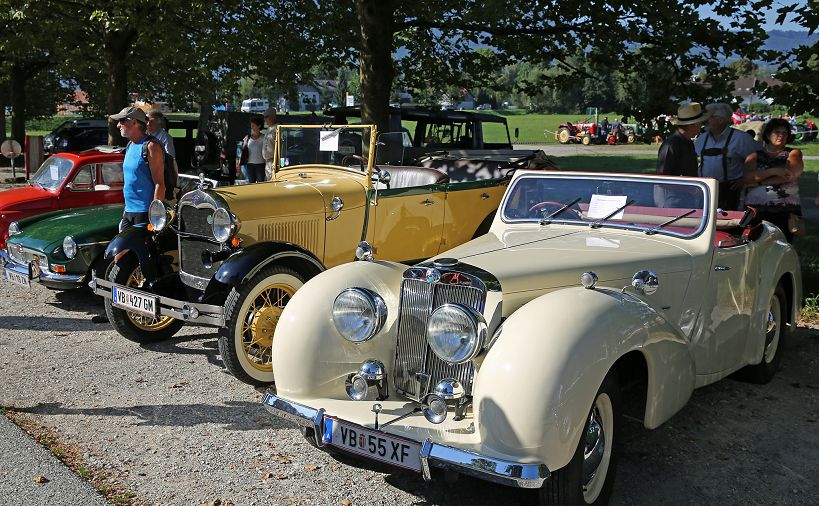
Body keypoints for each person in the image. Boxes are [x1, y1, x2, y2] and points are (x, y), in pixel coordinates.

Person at [93, 106, 166, 324]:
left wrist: (155, 216)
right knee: (119, 258)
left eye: (122, 122)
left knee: (146, 263)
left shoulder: (151, 146)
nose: (118, 125)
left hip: (145, 214)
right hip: (130, 212)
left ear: (135, 122)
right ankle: (117, 310)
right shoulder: (130, 145)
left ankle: (152, 310)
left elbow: (159, 184)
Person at [744, 118, 804, 242]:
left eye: (784, 133)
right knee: (755, 246)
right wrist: (774, 171)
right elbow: (747, 178)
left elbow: (790, 175)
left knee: (781, 246)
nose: (781, 135)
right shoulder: (754, 155)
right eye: (777, 132)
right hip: (756, 211)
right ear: (768, 134)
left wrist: (759, 181)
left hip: (783, 211)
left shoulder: (793, 153)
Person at [694, 103, 759, 210]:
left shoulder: (741, 138)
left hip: (730, 191)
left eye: (710, 117)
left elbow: (760, 158)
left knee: (729, 222)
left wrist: (744, 179)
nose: (705, 120)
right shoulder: (702, 138)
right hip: (705, 189)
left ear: (721, 120)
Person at [655, 102, 708, 207]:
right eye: (700, 123)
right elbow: (661, 180)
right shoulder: (671, 145)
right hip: (671, 204)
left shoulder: (688, 142)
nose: (701, 126)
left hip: (685, 201)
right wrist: (691, 188)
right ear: (693, 124)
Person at [242, 115, 266, 183]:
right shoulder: (248, 137)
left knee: (260, 184)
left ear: (259, 126)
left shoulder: (264, 137)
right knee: (251, 184)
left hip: (261, 164)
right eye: (251, 126)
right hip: (250, 165)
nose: (252, 127)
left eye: (253, 125)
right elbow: (244, 150)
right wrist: (245, 143)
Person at [262, 108, 278, 180]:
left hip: (274, 161)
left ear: (273, 117)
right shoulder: (270, 128)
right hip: (268, 162)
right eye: (264, 117)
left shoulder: (277, 128)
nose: (265, 119)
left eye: (266, 117)